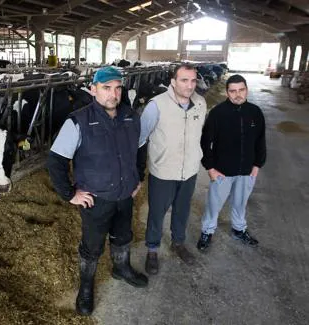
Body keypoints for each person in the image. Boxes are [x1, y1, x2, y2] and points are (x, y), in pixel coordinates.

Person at [47, 66, 148, 316]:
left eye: (117, 88)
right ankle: (86, 287)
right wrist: (70, 194)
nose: (113, 94)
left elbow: (141, 148)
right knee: (91, 247)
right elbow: (56, 160)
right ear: (93, 90)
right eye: (106, 88)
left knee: (123, 236)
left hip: (125, 195)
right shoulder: (78, 121)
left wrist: (138, 178)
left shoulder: (132, 117)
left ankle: (121, 267)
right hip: (95, 200)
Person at [139, 63, 207, 275]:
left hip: (189, 170)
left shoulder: (201, 103)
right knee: (157, 213)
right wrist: (139, 171)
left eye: (193, 80)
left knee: (182, 209)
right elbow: (141, 138)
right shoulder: (156, 105)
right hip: (163, 171)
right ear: (173, 82)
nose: (189, 85)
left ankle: (178, 243)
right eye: (184, 80)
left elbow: (198, 134)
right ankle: (152, 250)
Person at [196, 74, 266, 251]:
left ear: (246, 90)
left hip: (247, 170)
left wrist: (257, 165)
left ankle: (239, 229)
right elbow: (205, 142)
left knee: (240, 203)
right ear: (227, 92)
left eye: (241, 90)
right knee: (214, 204)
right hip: (222, 170)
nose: (238, 94)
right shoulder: (218, 113)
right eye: (233, 91)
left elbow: (260, 141)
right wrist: (210, 168)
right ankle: (207, 231)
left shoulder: (255, 112)